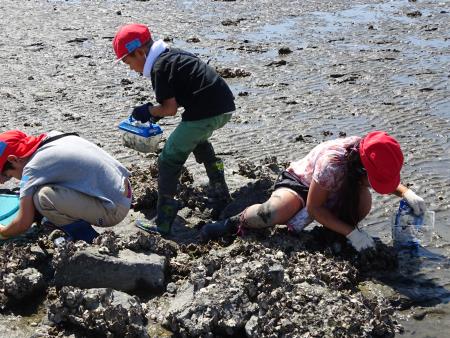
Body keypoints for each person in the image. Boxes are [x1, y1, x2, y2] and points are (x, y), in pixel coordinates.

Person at [200, 131, 427, 252]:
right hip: (301, 183)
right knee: (272, 214)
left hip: (335, 189)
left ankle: (334, 236)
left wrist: (406, 192)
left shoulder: (371, 154)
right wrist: (353, 233)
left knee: (363, 202)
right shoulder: (334, 162)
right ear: (360, 168)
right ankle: (231, 222)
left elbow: (383, 176)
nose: (375, 185)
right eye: (373, 180)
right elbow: (315, 207)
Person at [113, 23, 235, 235]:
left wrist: (150, 111)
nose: (131, 69)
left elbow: (169, 109)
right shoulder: (172, 55)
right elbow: (179, 97)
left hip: (206, 112)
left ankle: (163, 222)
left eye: (128, 62)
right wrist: (154, 111)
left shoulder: (159, 68)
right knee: (197, 139)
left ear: (140, 52)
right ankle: (220, 191)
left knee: (168, 158)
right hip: (224, 107)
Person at [0, 130, 132, 244]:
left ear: (14, 159)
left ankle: (88, 240)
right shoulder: (52, 137)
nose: (5, 181)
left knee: (42, 197)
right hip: (121, 190)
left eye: (8, 175)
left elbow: (23, 223)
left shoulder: (32, 168)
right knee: (41, 190)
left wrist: (3, 232)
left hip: (114, 208)